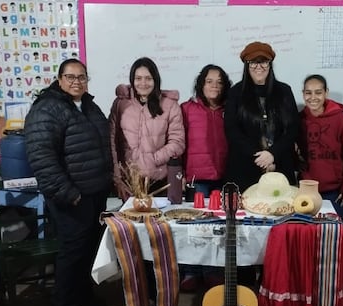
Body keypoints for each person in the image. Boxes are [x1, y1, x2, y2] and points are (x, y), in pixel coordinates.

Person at [24, 58, 112, 306]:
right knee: (71, 251)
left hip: (95, 193)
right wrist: (68, 193)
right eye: (71, 77)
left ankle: (83, 296)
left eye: (82, 77)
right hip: (71, 195)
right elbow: (42, 158)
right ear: (60, 79)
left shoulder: (88, 105)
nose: (77, 82)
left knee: (89, 248)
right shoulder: (47, 110)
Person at [179, 64, 232, 291]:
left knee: (218, 226)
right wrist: (179, 174)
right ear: (201, 83)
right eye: (210, 81)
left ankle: (213, 271)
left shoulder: (229, 110)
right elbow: (178, 144)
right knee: (195, 227)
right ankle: (191, 271)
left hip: (223, 176)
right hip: (196, 177)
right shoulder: (186, 109)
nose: (214, 86)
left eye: (219, 82)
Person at [224, 41, 299, 193]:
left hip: (280, 166)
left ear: (270, 64)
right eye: (253, 62)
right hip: (245, 169)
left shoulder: (284, 91)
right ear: (246, 65)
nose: (259, 67)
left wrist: (273, 154)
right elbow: (232, 130)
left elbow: (293, 128)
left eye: (263, 62)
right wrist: (260, 158)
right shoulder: (235, 93)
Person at [109, 57, 185, 200]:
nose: (143, 83)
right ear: (132, 80)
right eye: (138, 78)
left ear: (155, 80)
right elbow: (112, 141)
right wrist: (117, 176)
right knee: (132, 221)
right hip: (130, 181)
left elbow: (177, 143)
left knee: (160, 221)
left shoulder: (170, 105)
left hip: (160, 180)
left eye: (148, 78)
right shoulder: (120, 104)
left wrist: (152, 160)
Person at [297, 74, 343, 218]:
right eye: (308, 93)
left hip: (333, 192)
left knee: (331, 236)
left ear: (326, 92)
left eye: (318, 92)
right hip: (305, 191)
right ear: (303, 94)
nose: (313, 97)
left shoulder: (339, 118)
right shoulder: (299, 120)